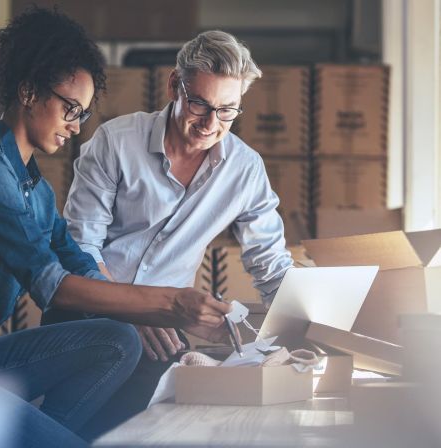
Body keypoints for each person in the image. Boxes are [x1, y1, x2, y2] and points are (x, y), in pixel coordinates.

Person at [0, 9, 231, 448]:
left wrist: (151, 315)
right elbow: (52, 287)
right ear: (27, 91)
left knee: (119, 340)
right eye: (70, 109)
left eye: (82, 113)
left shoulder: (34, 188)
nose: (76, 127)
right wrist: (172, 303)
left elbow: (78, 260)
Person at [55, 30, 295, 438]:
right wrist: (135, 307)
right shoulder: (115, 142)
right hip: (86, 315)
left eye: (227, 111)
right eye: (199, 103)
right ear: (174, 86)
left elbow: (271, 267)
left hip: (163, 332)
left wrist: (310, 327)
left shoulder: (245, 169)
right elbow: (80, 248)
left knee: (160, 433)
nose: (209, 124)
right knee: (71, 434)